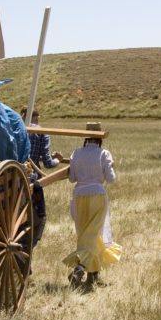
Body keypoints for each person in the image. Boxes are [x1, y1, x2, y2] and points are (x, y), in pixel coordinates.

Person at [64, 123, 121, 288]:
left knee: (86, 235)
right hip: (97, 194)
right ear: (100, 138)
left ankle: (93, 277)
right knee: (94, 234)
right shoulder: (104, 154)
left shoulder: (76, 153)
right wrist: (110, 167)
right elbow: (111, 179)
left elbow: (72, 178)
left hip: (79, 196)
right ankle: (80, 267)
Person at [21, 108, 66, 245]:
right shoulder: (42, 132)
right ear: (36, 117)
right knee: (41, 216)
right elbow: (48, 163)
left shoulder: (17, 128)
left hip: (13, 176)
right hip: (32, 179)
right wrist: (57, 159)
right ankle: (31, 243)